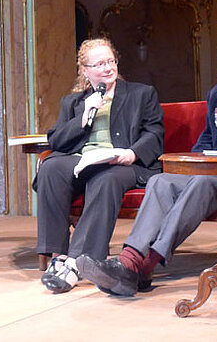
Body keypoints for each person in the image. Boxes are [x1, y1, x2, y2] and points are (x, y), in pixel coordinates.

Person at [77, 15, 217, 296]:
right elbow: (209, 138)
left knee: (205, 182)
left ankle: (146, 265)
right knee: (162, 181)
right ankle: (129, 261)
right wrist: (195, 162)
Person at [36, 38, 164, 294]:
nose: (108, 68)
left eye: (111, 61)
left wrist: (132, 152)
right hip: (83, 160)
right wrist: (83, 118)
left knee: (106, 178)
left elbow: (155, 133)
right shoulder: (72, 102)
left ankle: (77, 262)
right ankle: (58, 256)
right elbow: (56, 139)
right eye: (99, 64)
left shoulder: (140, 94)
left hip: (122, 163)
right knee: (50, 167)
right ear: (85, 70)